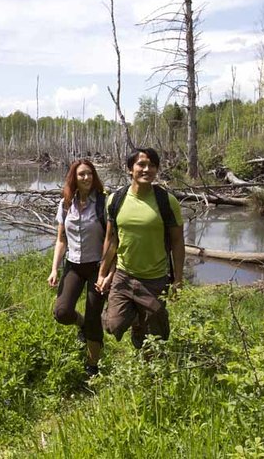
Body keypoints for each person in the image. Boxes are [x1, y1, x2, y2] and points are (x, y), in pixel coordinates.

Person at [96, 147, 185, 352]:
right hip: (123, 275)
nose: (147, 169)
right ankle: (136, 319)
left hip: (155, 278)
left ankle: (148, 359)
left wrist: (178, 279)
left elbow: (177, 242)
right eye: (141, 164)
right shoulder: (115, 200)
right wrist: (103, 273)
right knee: (113, 325)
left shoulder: (167, 202)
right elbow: (111, 239)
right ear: (130, 169)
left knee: (156, 337)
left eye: (152, 165)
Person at [47, 159, 113, 377]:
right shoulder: (66, 204)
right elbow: (61, 240)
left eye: (90, 174)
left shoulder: (103, 203)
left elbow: (113, 239)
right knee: (62, 312)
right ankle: (81, 324)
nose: (86, 178)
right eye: (81, 174)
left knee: (95, 318)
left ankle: (92, 365)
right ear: (73, 178)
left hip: (97, 267)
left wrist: (107, 272)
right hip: (73, 266)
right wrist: (54, 269)